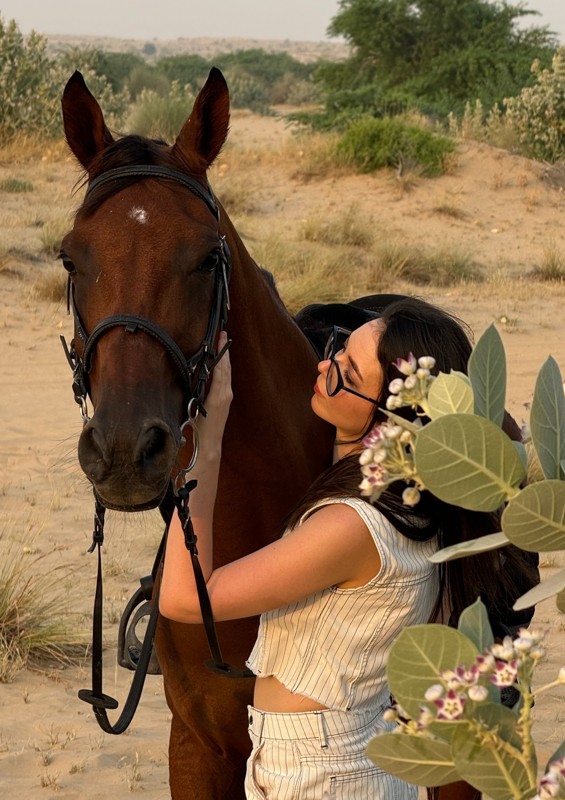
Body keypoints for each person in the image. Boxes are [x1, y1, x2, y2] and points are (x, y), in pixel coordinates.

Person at [159, 297, 536, 800]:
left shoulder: (354, 525)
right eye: (339, 348)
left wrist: (204, 446)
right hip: (322, 761)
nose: (324, 365)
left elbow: (186, 601)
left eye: (349, 372)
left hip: (327, 774)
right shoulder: (411, 499)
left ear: (387, 419)